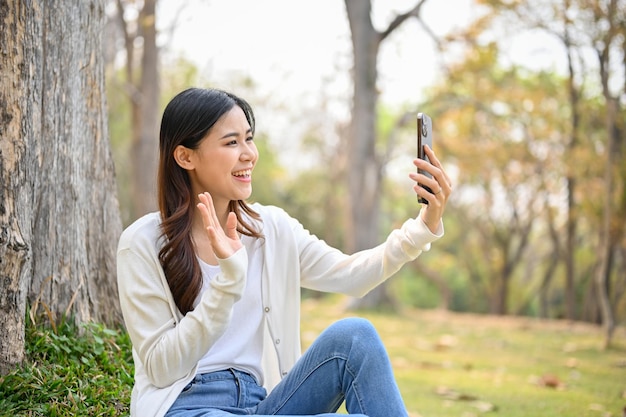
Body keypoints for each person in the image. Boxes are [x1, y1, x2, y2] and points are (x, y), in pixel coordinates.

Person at [116, 87, 452, 417]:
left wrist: (423, 226)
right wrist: (229, 280)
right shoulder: (143, 243)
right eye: (232, 142)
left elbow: (351, 275)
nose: (249, 153)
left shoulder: (271, 229)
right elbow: (161, 368)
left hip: (263, 405)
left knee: (356, 337)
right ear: (185, 156)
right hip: (187, 406)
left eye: (249, 138)